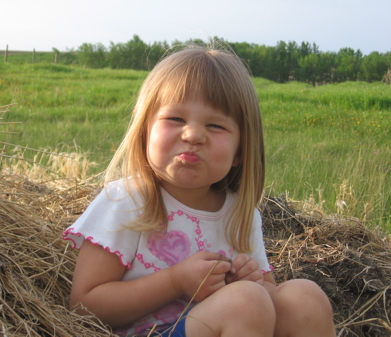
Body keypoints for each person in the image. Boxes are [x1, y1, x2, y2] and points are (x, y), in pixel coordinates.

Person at [63, 45, 336, 337]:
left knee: (304, 297)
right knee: (245, 302)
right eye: (175, 119)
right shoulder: (126, 201)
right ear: (145, 131)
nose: (193, 135)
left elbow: (265, 299)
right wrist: (176, 282)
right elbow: (84, 305)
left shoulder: (240, 215)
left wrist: (254, 282)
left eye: (216, 125)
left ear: (240, 151)